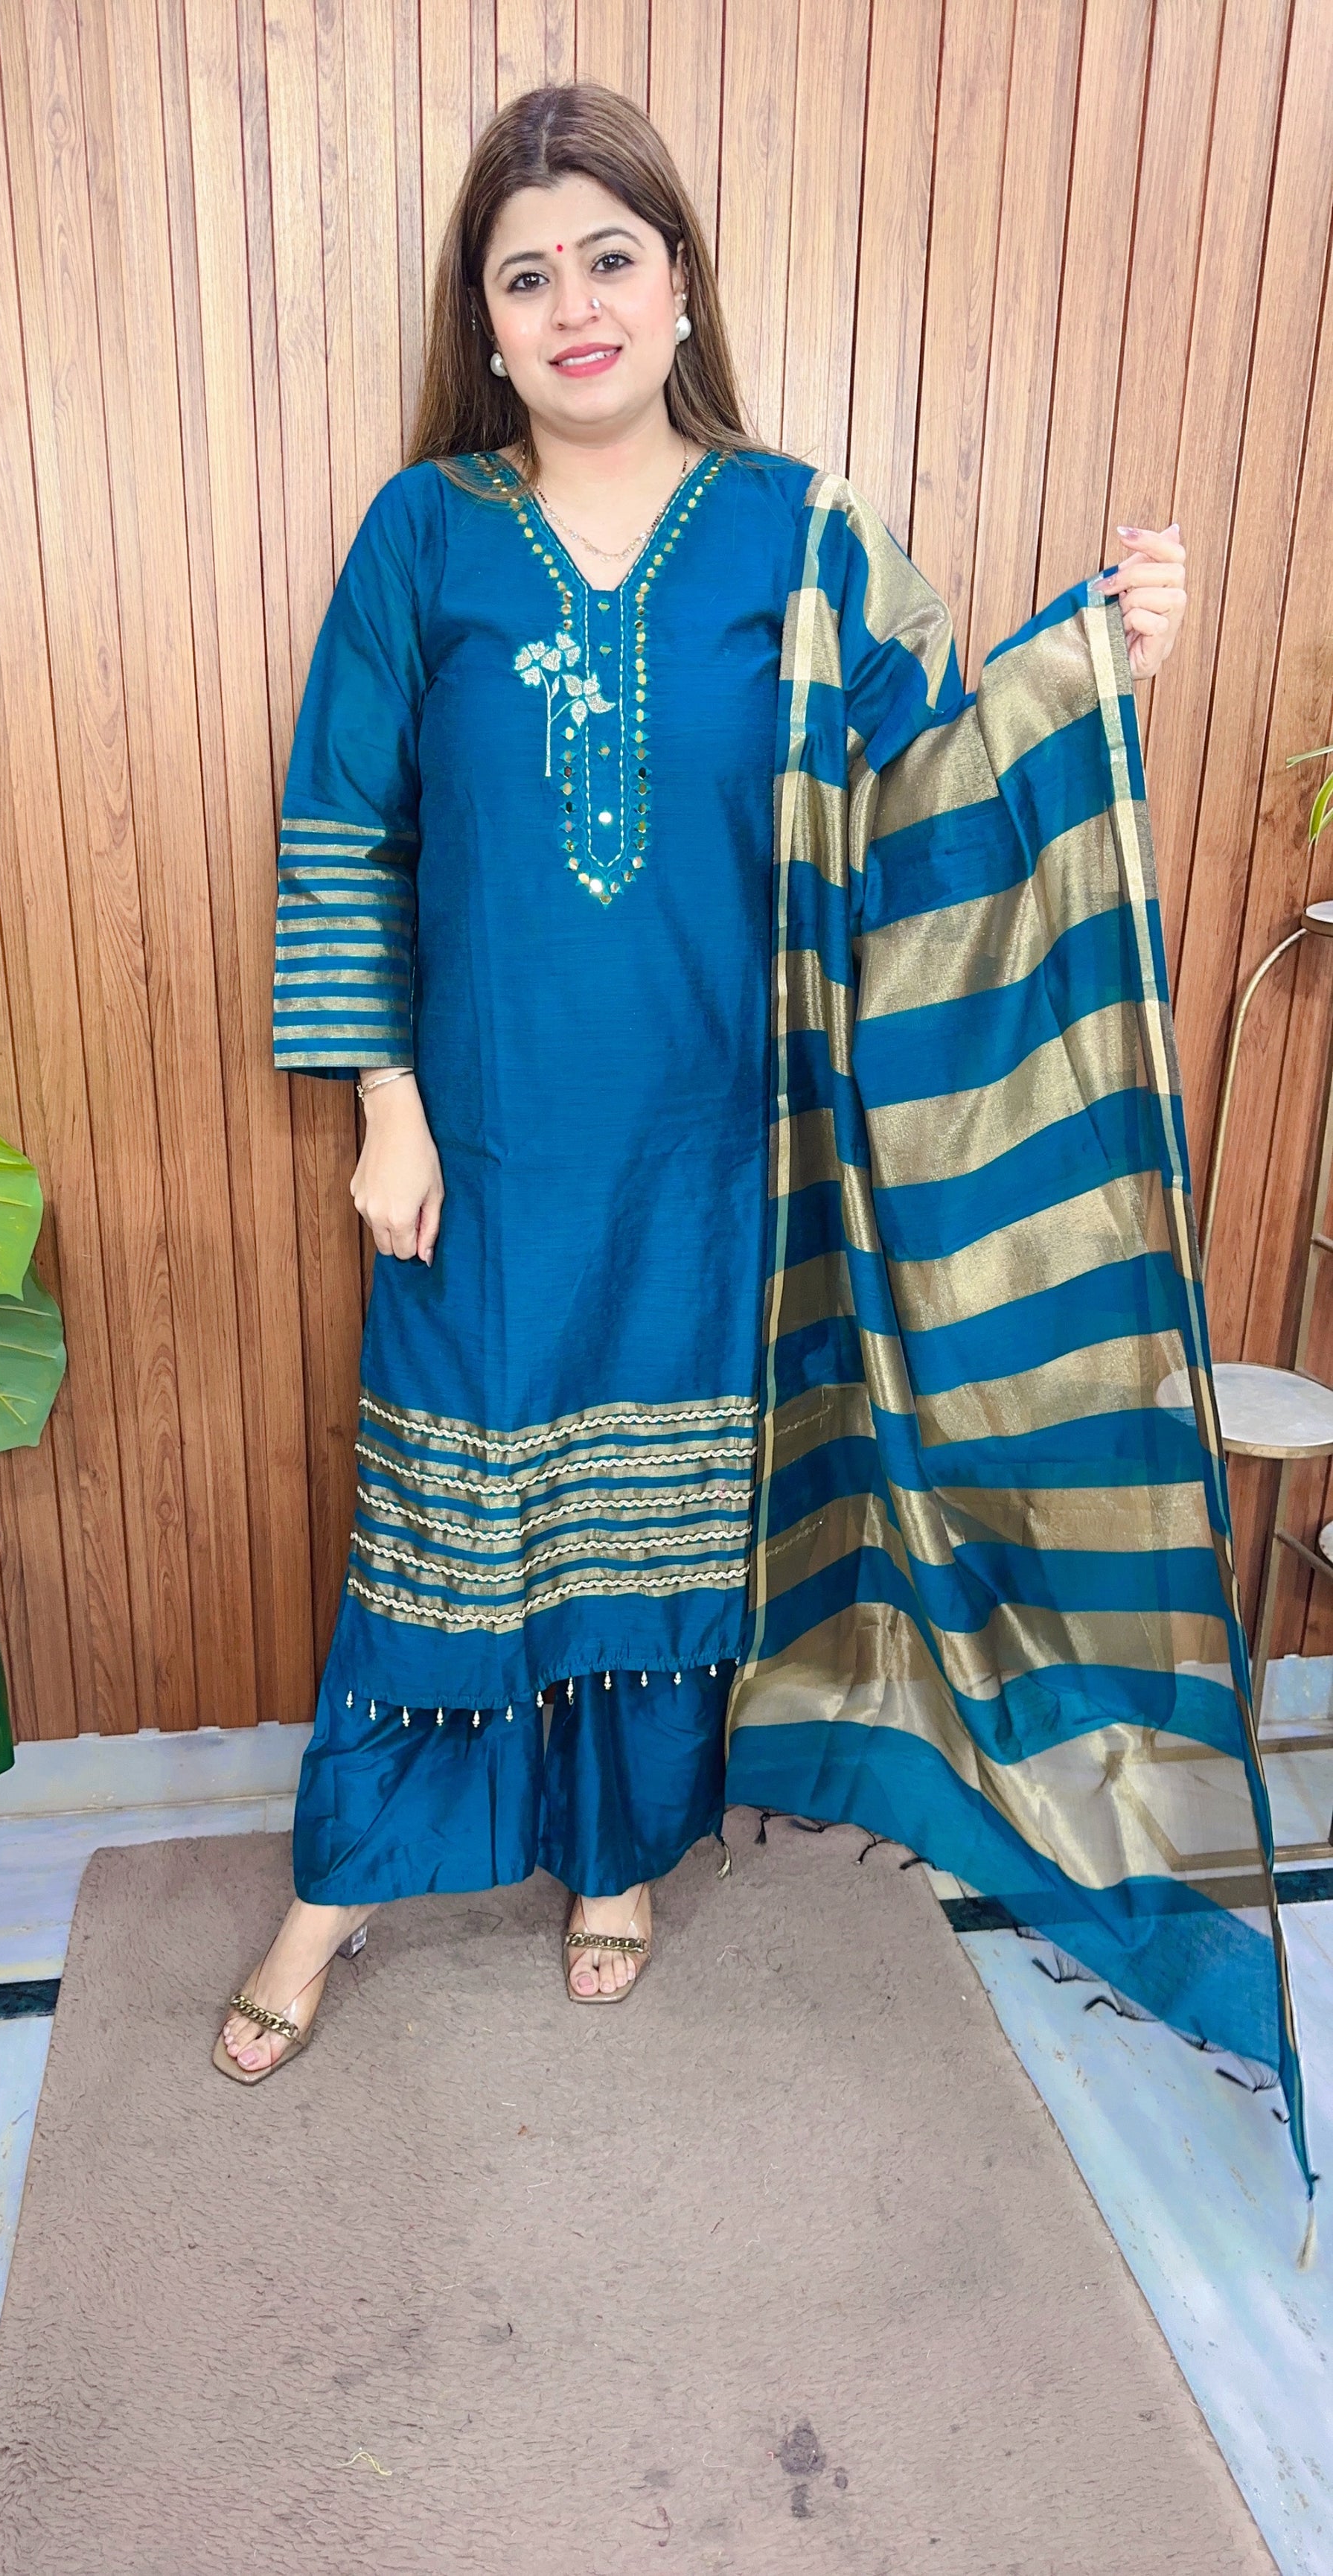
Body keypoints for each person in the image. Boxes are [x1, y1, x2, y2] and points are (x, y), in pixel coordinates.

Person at [214, 80, 1188, 2084]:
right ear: (484, 327)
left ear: (678, 287)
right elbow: (341, 826)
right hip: (487, 1153)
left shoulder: (800, 534)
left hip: (718, 1155)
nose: (573, 306)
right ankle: (338, 1884)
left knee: (662, 1533)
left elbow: (930, 793)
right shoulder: (424, 534)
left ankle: (618, 1859)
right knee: (447, 1524)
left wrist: (1099, 671)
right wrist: (384, 1107)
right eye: (526, 277)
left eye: (609, 260)